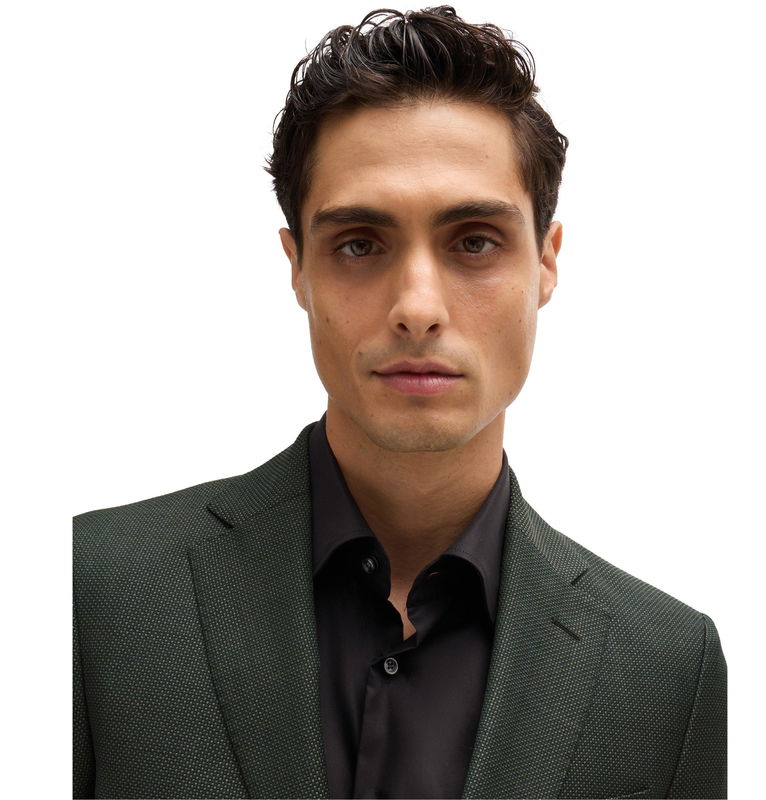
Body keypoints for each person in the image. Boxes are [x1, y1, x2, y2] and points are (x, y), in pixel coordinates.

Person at [73, 6, 726, 799]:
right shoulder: (87, 594)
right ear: (298, 267)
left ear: (546, 263)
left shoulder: (668, 670)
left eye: (474, 241)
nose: (417, 306)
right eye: (360, 243)